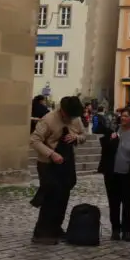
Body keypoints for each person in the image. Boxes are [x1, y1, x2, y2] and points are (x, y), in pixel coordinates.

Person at [29, 95, 85, 244]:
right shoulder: (48, 120)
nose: (71, 118)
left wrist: (76, 137)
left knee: (63, 196)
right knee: (50, 196)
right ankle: (42, 232)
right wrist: (51, 154)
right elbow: (34, 140)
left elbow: (83, 135)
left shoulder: (75, 119)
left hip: (66, 161)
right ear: (63, 111)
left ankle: (56, 228)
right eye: (69, 115)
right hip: (48, 163)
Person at [98, 107, 130, 241]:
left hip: (129, 174)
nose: (123, 118)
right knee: (114, 203)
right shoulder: (114, 132)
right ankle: (115, 229)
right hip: (112, 173)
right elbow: (105, 151)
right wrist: (111, 140)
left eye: (126, 116)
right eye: (122, 116)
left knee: (127, 203)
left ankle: (126, 230)